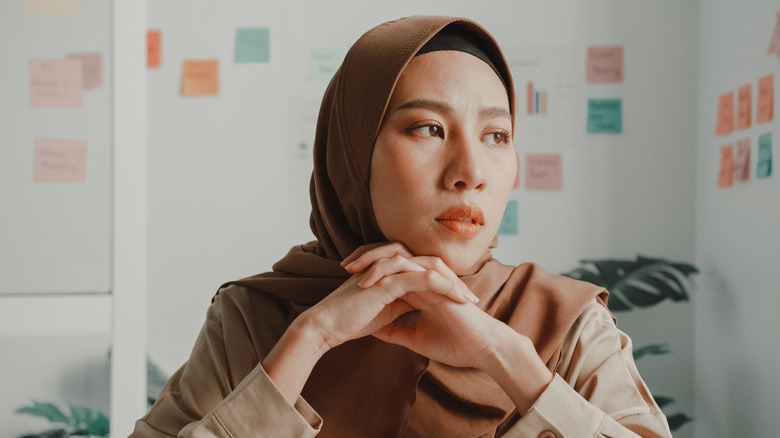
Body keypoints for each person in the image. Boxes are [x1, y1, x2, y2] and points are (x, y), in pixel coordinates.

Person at [131, 15, 672, 437]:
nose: (470, 173)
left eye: (496, 136)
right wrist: (310, 339)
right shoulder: (255, 318)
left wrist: (504, 358)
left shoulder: (568, 322)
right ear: (354, 152)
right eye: (429, 128)